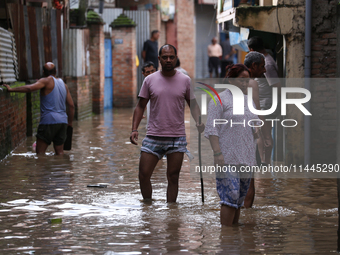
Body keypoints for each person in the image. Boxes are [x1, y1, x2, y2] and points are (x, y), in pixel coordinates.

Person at [130, 44, 205, 203]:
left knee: (173, 177)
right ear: (159, 59)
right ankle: (148, 208)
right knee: (143, 175)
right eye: (165, 57)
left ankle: (172, 212)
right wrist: (134, 129)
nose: (168, 60)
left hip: (176, 138)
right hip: (153, 136)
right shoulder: (150, 80)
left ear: (176, 58)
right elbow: (140, 106)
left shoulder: (185, 80)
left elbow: (193, 105)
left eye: (171, 57)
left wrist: (199, 123)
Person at [204, 64, 260, 226]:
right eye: (241, 79)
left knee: (240, 197)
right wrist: (217, 153)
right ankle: (226, 238)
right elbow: (212, 129)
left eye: (247, 80)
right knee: (230, 196)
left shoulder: (248, 100)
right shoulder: (219, 99)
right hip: (227, 156)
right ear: (230, 80)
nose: (245, 83)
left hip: (246, 156)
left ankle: (233, 237)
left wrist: (256, 129)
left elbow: (254, 122)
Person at [2, 62, 74, 155]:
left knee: (40, 153)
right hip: (63, 122)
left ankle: (40, 169)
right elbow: (71, 106)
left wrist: (11, 89)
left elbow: (29, 88)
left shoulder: (45, 81)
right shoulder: (64, 84)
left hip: (48, 121)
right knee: (60, 153)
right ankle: (60, 168)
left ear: (43, 72)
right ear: (56, 71)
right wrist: (70, 123)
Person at [247, 36, 281, 165]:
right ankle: (264, 164)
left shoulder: (266, 63)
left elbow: (276, 85)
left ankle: (264, 162)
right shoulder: (266, 60)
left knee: (262, 134)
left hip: (265, 104)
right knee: (262, 133)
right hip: (263, 103)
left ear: (251, 50)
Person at [243, 51, 269, 208]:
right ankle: (246, 215)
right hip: (247, 134)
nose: (265, 70)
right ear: (253, 66)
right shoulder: (252, 83)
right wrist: (266, 136)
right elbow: (258, 111)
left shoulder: (231, 79)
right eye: (262, 66)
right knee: (249, 178)